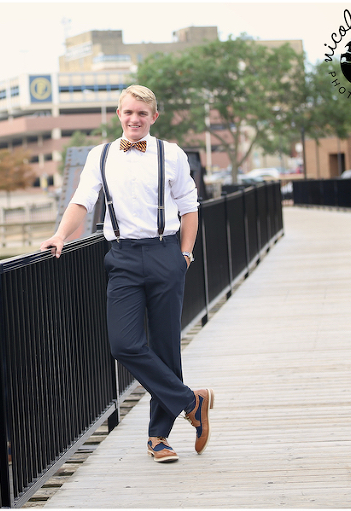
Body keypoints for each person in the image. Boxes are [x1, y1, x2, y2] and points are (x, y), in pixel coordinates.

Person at [40, 85, 213, 463]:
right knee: (123, 344)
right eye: (128, 112)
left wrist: (184, 254)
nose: (134, 119)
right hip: (122, 258)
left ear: (154, 116)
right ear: (119, 114)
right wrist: (59, 235)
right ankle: (191, 401)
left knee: (166, 346)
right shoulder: (100, 156)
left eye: (142, 113)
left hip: (165, 253)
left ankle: (158, 438)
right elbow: (81, 202)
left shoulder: (172, 153)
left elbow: (189, 206)